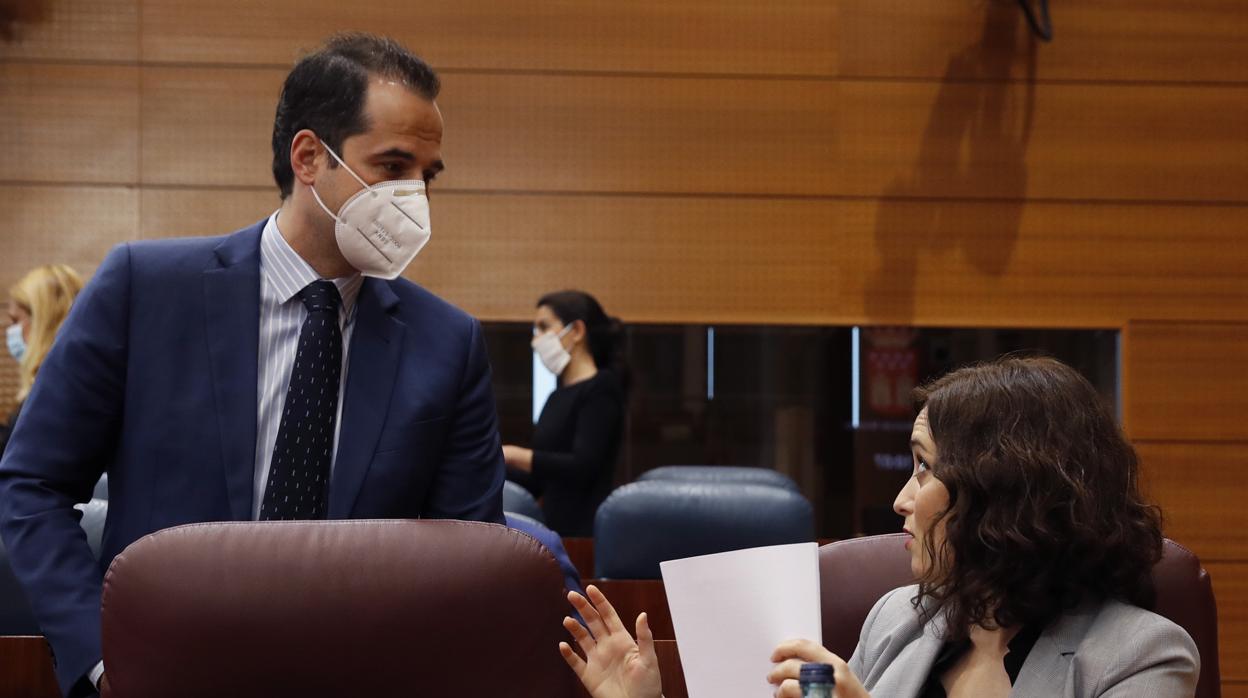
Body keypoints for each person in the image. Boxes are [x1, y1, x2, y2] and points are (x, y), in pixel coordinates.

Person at [0, 34, 507, 697]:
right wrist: (101, 660)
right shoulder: (143, 288)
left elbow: (472, 558)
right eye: (393, 166)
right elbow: (31, 485)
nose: (416, 196)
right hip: (161, 672)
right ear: (308, 156)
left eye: (428, 175)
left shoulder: (448, 344)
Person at [561, 357, 1199, 698]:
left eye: (923, 469)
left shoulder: (1140, 656)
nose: (900, 500)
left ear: (1005, 493)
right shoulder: (900, 618)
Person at [504, 291, 626, 536]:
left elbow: (584, 465)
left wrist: (516, 455)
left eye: (544, 327)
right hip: (552, 527)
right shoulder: (556, 395)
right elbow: (541, 478)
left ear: (577, 331)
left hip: (586, 533)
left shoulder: (602, 388)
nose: (535, 339)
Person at [1, 265, 83, 458]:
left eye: (16, 321)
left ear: (42, 323)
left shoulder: (50, 401)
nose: (10, 331)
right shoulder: (73, 389)